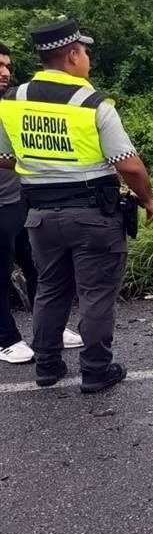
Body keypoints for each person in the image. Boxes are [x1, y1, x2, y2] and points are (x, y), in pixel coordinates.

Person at [0, 20, 153, 392]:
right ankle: (96, 369)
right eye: (84, 52)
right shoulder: (92, 103)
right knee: (96, 293)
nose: (86, 58)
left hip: (39, 217)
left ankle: (48, 367)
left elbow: (5, 156)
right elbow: (129, 164)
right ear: (72, 54)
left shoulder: (13, 100)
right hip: (93, 217)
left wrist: (38, 162)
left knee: (51, 290)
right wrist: (148, 198)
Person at [0, 41, 82, 364]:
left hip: (21, 198)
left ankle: (49, 327)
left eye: (7, 66)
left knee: (39, 267)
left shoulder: (14, 102)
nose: (5, 73)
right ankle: (5, 339)